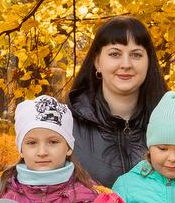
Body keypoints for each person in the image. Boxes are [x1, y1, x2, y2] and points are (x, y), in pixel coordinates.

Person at [64, 15, 169, 187]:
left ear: (149, 62)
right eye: (115, 54)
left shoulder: (170, 121)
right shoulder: (66, 123)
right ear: (97, 62)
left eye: (136, 55)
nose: (126, 64)